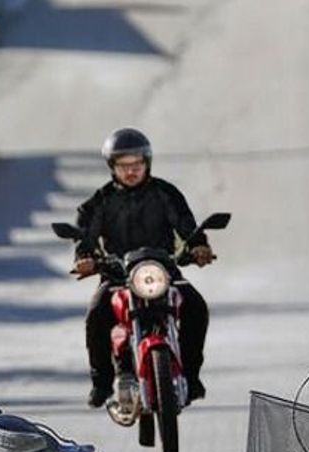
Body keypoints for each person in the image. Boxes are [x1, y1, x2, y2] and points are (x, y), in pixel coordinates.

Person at [73, 127, 215, 407]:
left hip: (164, 271)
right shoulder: (100, 201)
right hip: (118, 274)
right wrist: (85, 256)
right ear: (112, 167)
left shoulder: (165, 193)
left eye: (136, 165)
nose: (131, 171)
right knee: (96, 314)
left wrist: (199, 246)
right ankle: (101, 382)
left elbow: (187, 226)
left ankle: (191, 375)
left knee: (196, 306)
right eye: (123, 166)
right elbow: (85, 234)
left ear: (146, 164)